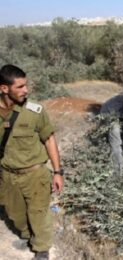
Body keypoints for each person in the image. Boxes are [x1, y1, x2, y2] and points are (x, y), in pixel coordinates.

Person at [0, 64, 64, 260]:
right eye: (20, 87)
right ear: (4, 88)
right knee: (15, 213)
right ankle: (28, 236)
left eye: (26, 85)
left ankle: (42, 249)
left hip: (34, 174)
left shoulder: (35, 111)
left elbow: (49, 139)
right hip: (7, 175)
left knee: (39, 213)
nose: (26, 90)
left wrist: (57, 171)